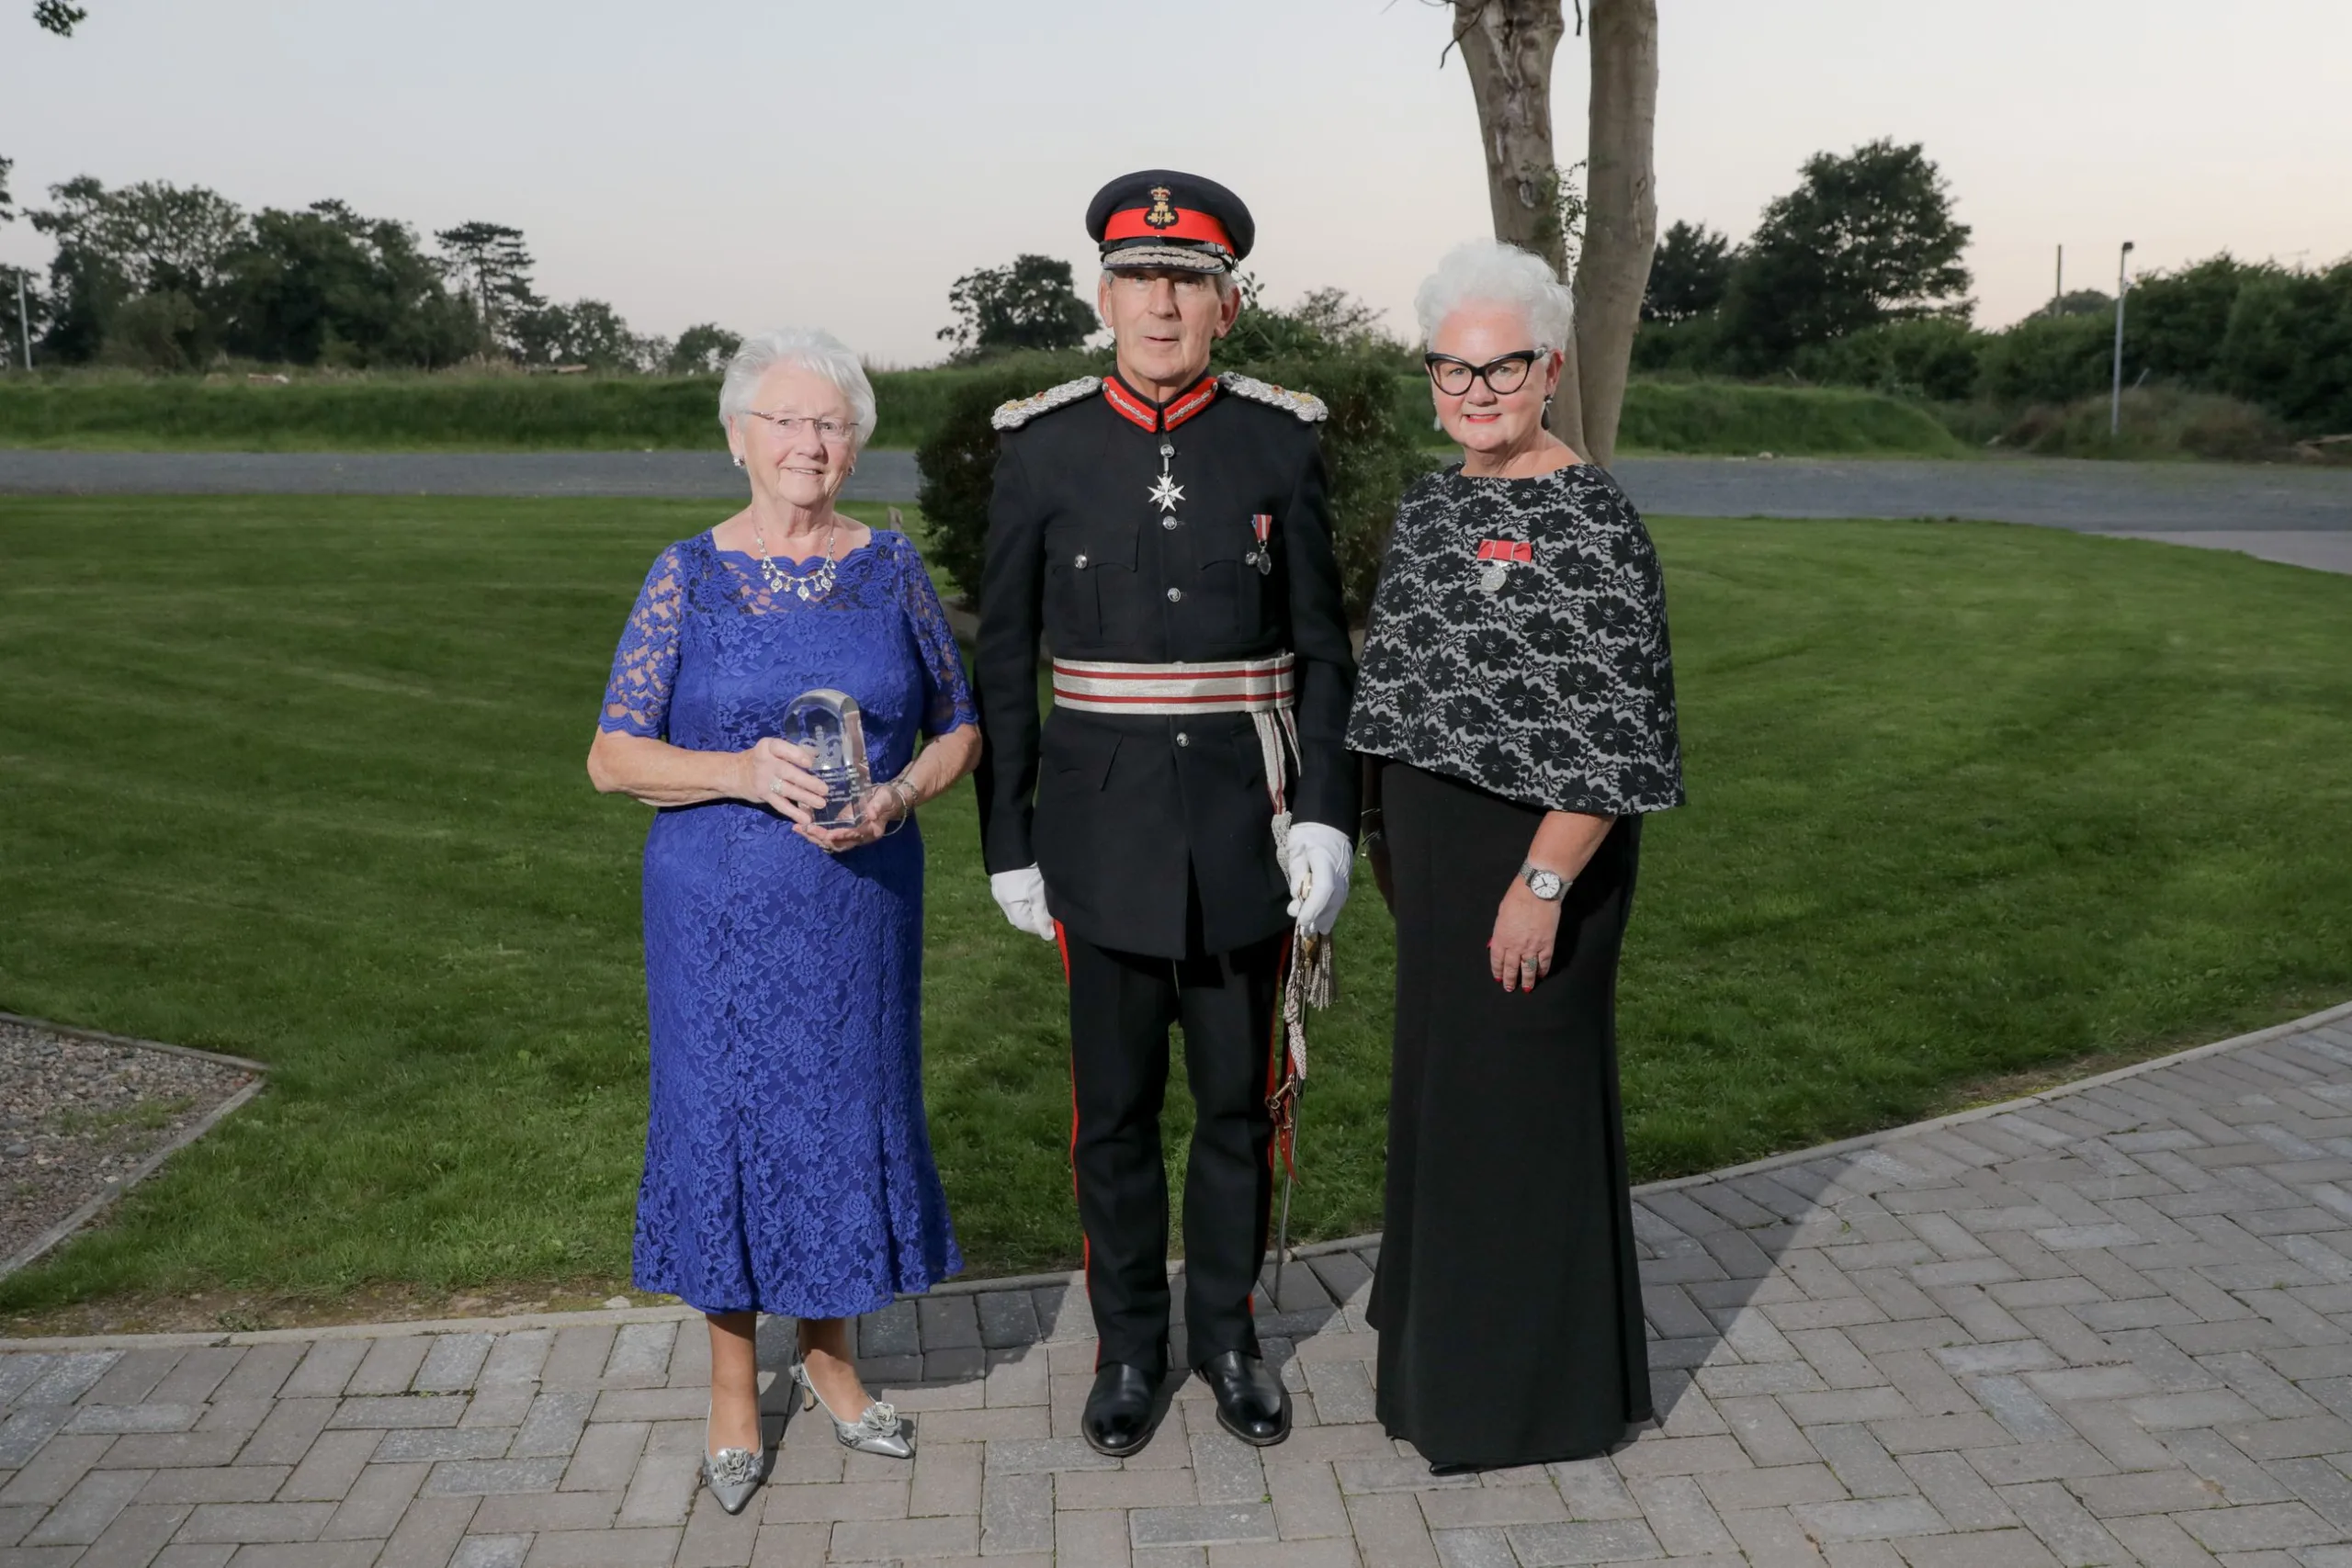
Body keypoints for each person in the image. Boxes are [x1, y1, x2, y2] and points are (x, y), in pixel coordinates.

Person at [973, 171, 1358, 1456]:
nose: (1160, 301)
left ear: (1226, 305)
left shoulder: (1281, 442)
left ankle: (1232, 1333)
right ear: (1103, 295)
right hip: (1098, 837)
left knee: (1238, 1112)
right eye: (1138, 277)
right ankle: (1131, 1346)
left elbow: (1322, 651)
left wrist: (1323, 815)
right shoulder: (1040, 446)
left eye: (1186, 279)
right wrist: (1009, 840)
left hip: (1244, 829)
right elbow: (1006, 660)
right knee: (1117, 1115)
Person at [586, 327, 980, 1511]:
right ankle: (726, 1386)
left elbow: (962, 723)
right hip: (715, 906)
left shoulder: (892, 568)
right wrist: (741, 771)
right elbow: (612, 758)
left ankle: (832, 1362)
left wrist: (904, 792)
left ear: (853, 443)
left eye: (831, 425)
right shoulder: (688, 575)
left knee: (840, 1112)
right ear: (738, 439)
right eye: (786, 422)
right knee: (727, 1122)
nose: (810, 444)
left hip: (857, 900)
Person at [1347, 240, 1685, 1471]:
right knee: (1449, 1103)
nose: (1476, 393)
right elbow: (1403, 681)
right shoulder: (1440, 503)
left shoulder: (1595, 520)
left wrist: (1542, 884)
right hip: (1437, 861)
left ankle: (1526, 1397)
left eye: (1502, 371)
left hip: (1541, 856)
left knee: (1524, 1114)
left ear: (1549, 371)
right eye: (1453, 370)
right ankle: (1439, 1365)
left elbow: (1615, 729)